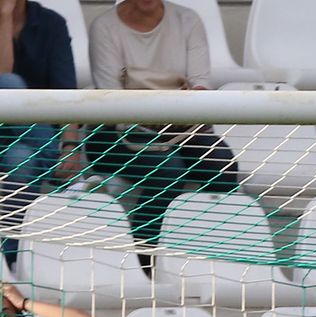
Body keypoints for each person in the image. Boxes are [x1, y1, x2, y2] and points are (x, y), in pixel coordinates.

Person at [84, 0, 240, 244]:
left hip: (181, 128)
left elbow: (201, 84)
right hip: (114, 134)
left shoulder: (188, 20)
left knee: (222, 164)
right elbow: (112, 102)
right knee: (168, 171)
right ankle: (146, 257)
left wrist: (183, 104)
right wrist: (178, 102)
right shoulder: (104, 26)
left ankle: (211, 248)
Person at [0, 0, 76, 195]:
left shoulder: (51, 23)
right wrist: (5, 18)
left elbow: (66, 92)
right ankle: (52, 154)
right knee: (10, 83)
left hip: (32, 138)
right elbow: (3, 78)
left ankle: (14, 226)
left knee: (20, 157)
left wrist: (70, 146)